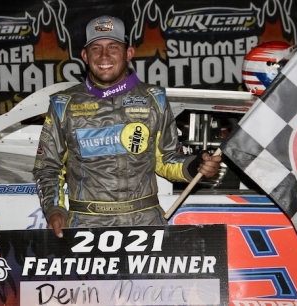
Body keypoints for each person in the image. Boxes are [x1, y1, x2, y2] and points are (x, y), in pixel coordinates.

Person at [33, 15, 222, 238]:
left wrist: (196, 166)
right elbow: (47, 167)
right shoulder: (63, 103)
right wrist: (54, 209)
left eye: (113, 47)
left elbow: (166, 159)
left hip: (145, 221)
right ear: (85, 56)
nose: (104, 56)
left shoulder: (154, 99)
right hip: (85, 223)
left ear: (129, 53)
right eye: (96, 48)